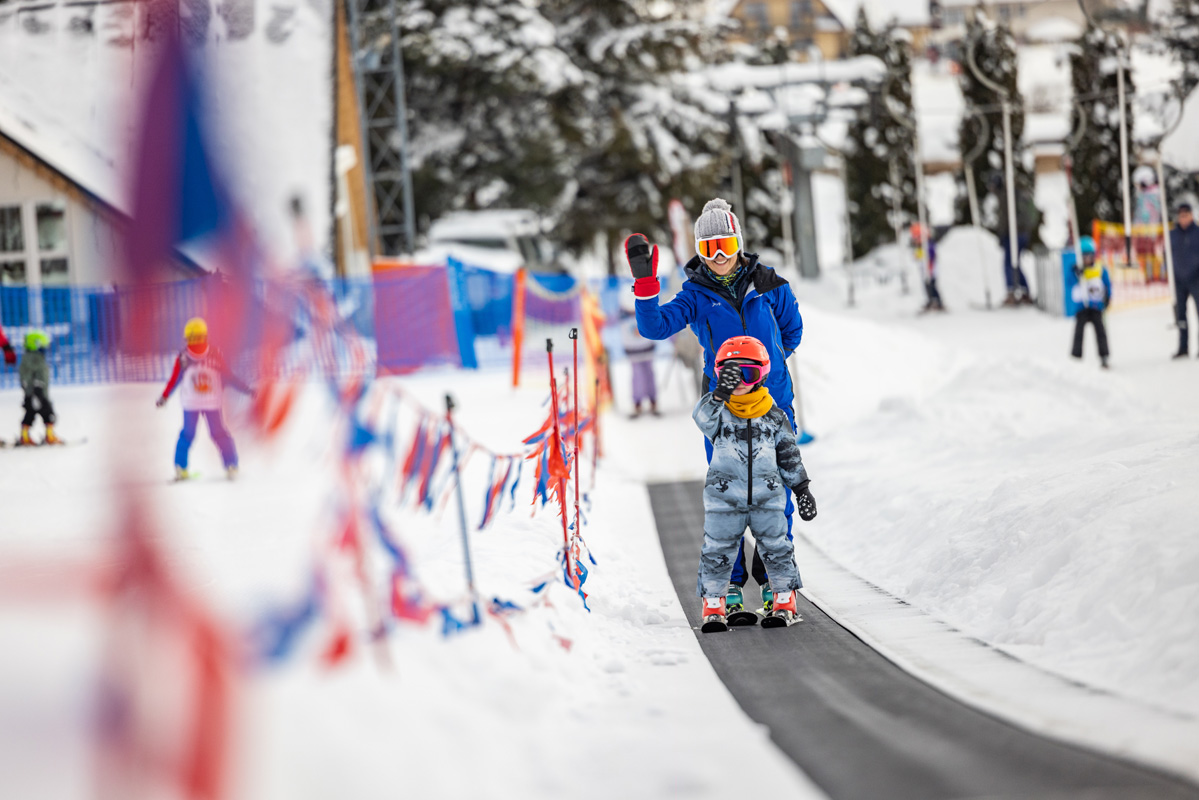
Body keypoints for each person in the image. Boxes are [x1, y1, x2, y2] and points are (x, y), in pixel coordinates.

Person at [626, 197, 804, 617]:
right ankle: (733, 584)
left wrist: (766, 368)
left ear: (739, 242)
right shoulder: (696, 296)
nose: (720, 257)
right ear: (700, 253)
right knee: (729, 496)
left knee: (778, 493)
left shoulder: (770, 285)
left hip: (773, 404)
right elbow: (653, 327)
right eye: (709, 249)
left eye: (725, 245)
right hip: (722, 412)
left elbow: (792, 333)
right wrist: (646, 284)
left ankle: (774, 577)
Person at [693, 335, 816, 631]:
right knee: (718, 550)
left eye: (747, 374)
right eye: (730, 375)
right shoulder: (719, 413)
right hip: (724, 500)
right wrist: (719, 392)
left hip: (768, 498)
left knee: (777, 548)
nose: (739, 382)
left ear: (761, 374)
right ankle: (714, 606)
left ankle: (784, 601)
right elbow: (700, 417)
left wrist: (801, 488)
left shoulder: (774, 415)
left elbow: (788, 454)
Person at [156, 317, 252, 480]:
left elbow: (174, 380)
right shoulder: (215, 354)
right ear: (205, 336)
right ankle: (231, 465)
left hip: (191, 403)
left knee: (187, 434)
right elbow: (228, 376)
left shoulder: (183, 358)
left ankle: (181, 468)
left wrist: (164, 397)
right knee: (219, 433)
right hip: (211, 402)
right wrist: (246, 389)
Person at [992, 174, 1041, 306]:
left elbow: (1005, 219)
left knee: (1009, 263)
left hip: (1014, 234)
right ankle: (1024, 291)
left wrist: (1003, 235)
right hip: (1022, 233)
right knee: (1015, 262)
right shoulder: (1014, 193)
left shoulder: (1006, 195)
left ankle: (1012, 292)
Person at [1070, 236, 1111, 369]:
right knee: (1079, 331)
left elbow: (1107, 284)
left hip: (1096, 306)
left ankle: (1104, 356)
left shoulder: (1100, 269)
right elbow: (1069, 283)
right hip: (1082, 307)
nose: (1087, 259)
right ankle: (1076, 357)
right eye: (1084, 256)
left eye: (1089, 255)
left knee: (1100, 331)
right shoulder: (1075, 270)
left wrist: (1107, 298)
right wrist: (1076, 274)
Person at [17, 330, 60, 446]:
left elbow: (24, 377)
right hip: (38, 394)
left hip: (31, 393)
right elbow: (35, 375)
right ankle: (49, 436)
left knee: (30, 414)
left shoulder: (29, 358)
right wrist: (38, 391)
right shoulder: (35, 359)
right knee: (48, 414)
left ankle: (24, 436)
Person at [1169, 202, 1199, 359]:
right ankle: (1183, 347)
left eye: (1186, 215)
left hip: (1196, 278)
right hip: (1179, 280)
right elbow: (1166, 254)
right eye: (1181, 216)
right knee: (1181, 314)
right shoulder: (1172, 235)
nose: (1183, 218)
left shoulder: (1197, 233)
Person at [619, 303, 658, 417]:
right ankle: (637, 403)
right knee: (637, 377)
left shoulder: (644, 312)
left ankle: (652, 401)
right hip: (634, 352)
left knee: (649, 375)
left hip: (646, 349)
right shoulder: (624, 318)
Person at [912, 223, 944, 312]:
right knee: (927, 287)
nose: (915, 240)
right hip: (925, 271)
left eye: (916, 237)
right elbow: (920, 257)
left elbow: (931, 257)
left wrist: (929, 268)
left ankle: (938, 302)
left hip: (931, 271)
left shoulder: (929, 245)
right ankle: (930, 301)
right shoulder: (921, 246)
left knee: (932, 286)